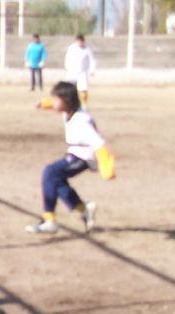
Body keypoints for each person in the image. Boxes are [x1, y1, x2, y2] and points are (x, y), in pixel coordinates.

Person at [27, 81, 115, 235]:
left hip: (84, 156)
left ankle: (50, 220)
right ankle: (84, 209)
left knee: (50, 172)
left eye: (55, 99)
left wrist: (107, 168)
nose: (53, 102)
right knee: (56, 180)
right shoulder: (68, 112)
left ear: (66, 100)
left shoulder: (81, 121)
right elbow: (54, 103)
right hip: (75, 152)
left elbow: (99, 145)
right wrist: (45, 103)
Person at [64, 34, 96, 109]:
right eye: (78, 41)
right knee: (70, 89)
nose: (80, 43)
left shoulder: (87, 49)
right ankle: (70, 104)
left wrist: (92, 70)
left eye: (81, 41)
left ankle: (84, 105)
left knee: (83, 89)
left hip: (82, 72)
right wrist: (67, 67)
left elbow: (92, 60)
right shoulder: (71, 48)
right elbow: (67, 58)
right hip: (72, 72)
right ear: (76, 41)